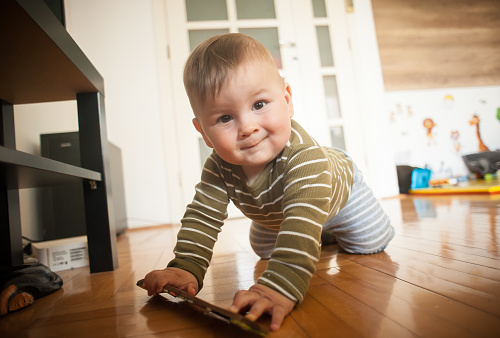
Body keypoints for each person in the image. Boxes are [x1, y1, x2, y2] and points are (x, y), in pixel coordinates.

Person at [142, 33, 395, 331]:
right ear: (203, 132)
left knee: (369, 243)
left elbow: (300, 220)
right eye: (225, 118)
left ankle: (325, 227)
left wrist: (278, 287)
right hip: (275, 212)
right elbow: (202, 217)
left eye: (259, 104)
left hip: (342, 194)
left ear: (286, 101)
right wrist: (186, 266)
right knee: (263, 248)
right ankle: (319, 233)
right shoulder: (218, 167)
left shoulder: (305, 158)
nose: (247, 127)